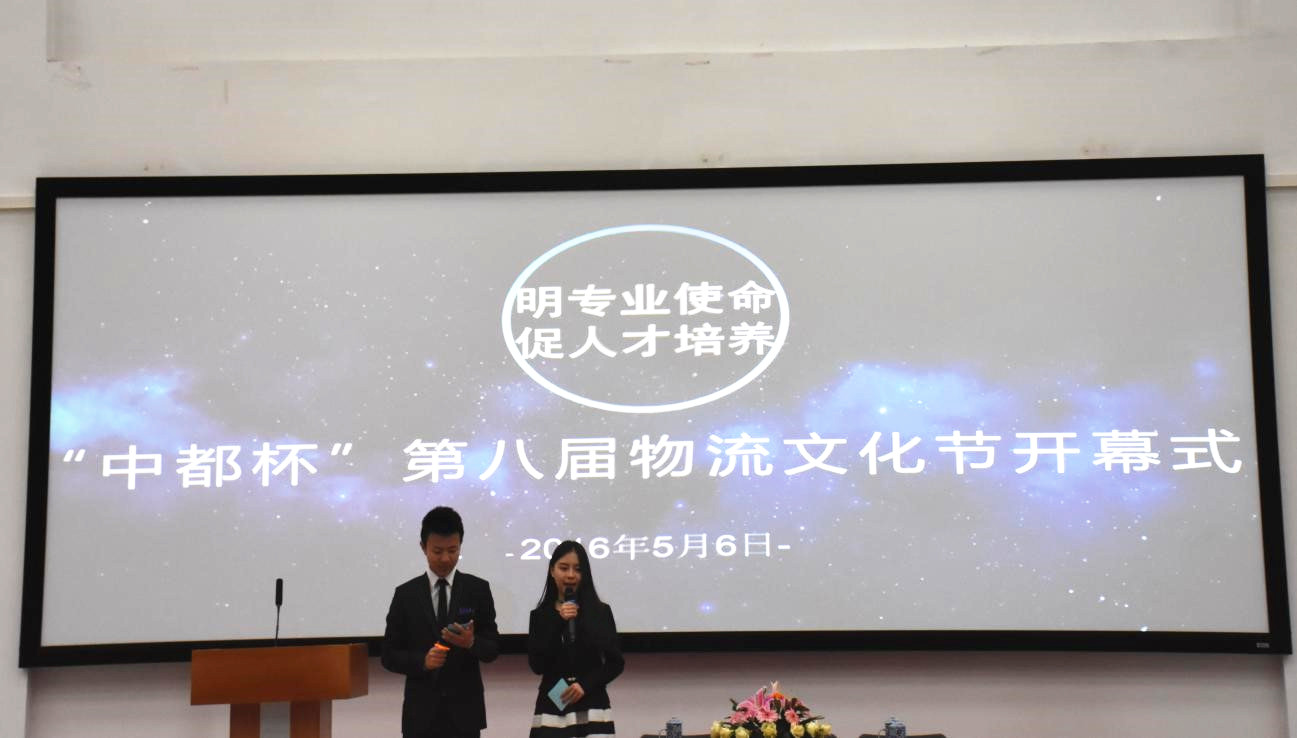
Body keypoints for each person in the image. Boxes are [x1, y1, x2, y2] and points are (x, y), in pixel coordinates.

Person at [382, 506, 500, 738]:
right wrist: (423, 661)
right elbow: (388, 655)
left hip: (465, 714)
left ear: (460, 546)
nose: (446, 558)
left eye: (452, 550)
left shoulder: (477, 589)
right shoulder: (405, 595)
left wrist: (471, 643)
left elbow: (493, 648)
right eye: (437, 551)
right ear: (423, 547)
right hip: (420, 715)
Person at [527, 540, 624, 737]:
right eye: (564, 568)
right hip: (553, 705)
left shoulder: (600, 612)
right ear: (552, 571)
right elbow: (537, 665)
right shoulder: (540, 616)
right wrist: (559, 621)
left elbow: (615, 663)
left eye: (578, 569)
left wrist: (585, 685)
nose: (570, 575)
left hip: (593, 703)